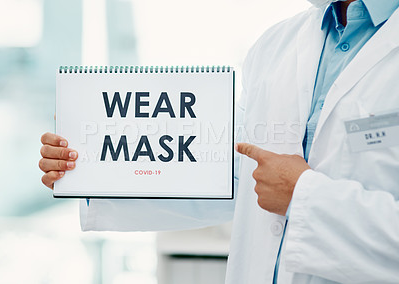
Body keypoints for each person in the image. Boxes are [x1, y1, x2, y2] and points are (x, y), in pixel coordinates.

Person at [39, 0, 399, 283]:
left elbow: (286, 190)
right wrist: (93, 162)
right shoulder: (277, 45)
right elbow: (234, 173)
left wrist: (304, 197)